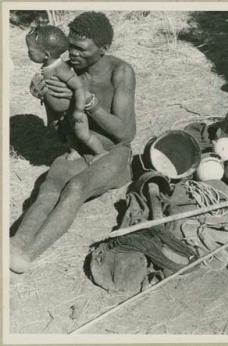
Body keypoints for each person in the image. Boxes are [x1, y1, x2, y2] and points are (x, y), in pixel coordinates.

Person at [10, 11, 137, 274]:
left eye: (81, 49)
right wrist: (46, 99)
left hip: (113, 153)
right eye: (71, 46)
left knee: (75, 189)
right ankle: (15, 244)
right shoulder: (67, 70)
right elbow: (58, 131)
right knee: (48, 188)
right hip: (78, 150)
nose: (73, 54)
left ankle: (27, 256)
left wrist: (90, 103)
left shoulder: (120, 72)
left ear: (103, 49)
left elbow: (124, 133)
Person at [25, 24, 107, 160]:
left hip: (73, 110)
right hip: (61, 113)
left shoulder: (60, 68)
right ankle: (75, 151)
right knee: (68, 133)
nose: (28, 53)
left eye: (30, 50)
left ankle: (101, 153)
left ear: (46, 54)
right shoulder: (47, 66)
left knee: (83, 134)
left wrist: (79, 110)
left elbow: (78, 87)